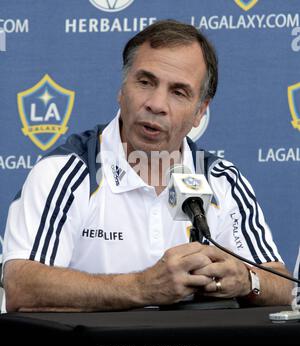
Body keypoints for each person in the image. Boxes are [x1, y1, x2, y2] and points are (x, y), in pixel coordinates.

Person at [2, 20, 292, 312]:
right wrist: (144, 287)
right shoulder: (65, 172)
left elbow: (283, 286)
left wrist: (247, 279)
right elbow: (22, 287)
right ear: (121, 89)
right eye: (145, 82)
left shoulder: (222, 180)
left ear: (200, 111)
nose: (156, 104)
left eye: (178, 92)